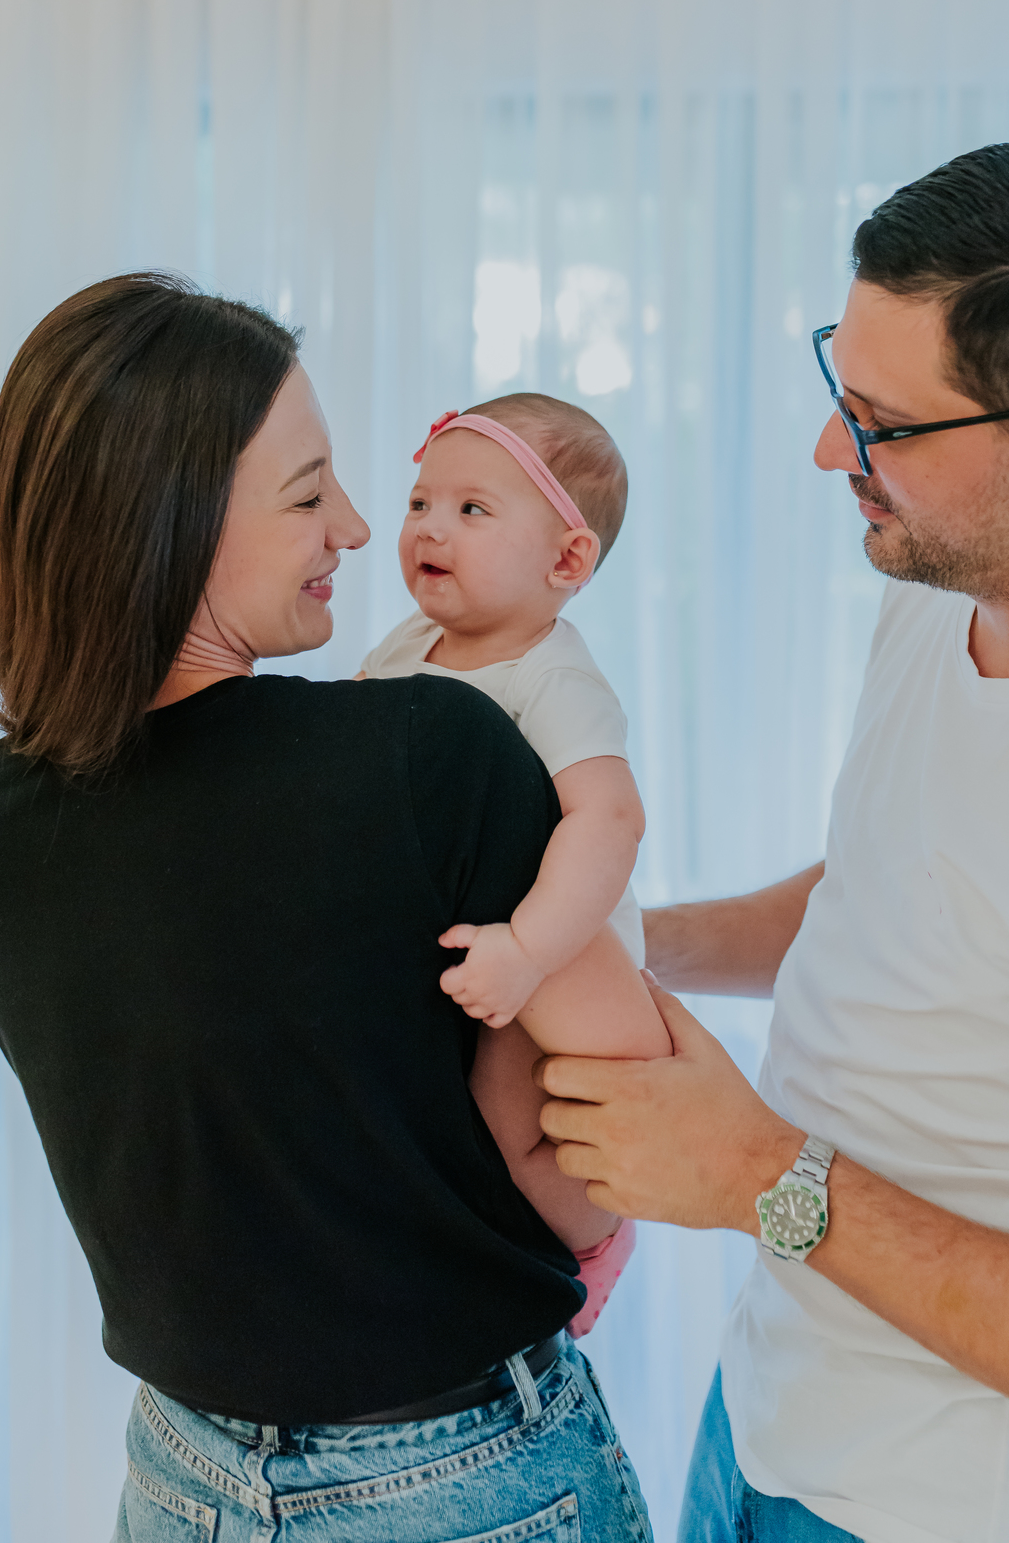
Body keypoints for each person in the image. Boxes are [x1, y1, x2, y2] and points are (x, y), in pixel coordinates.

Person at [0, 272, 653, 1542]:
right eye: (312, 493)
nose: (363, 530)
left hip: (176, 1477)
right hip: (463, 1481)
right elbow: (612, 1140)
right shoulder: (433, 745)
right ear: (181, 517)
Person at [533, 141, 1009, 1543]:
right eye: (837, 389)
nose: (828, 451)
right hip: (766, 1422)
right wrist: (617, 938)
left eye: (882, 422)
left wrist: (758, 1175)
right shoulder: (943, 588)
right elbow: (894, 896)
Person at [360, 394, 671, 1331]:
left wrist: (530, 949)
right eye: (420, 504)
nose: (428, 528)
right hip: (469, 942)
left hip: (557, 959)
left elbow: (610, 817)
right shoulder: (410, 644)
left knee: (509, 1105)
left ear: (567, 559)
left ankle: (590, 1246)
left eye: (472, 510)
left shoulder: (552, 675)